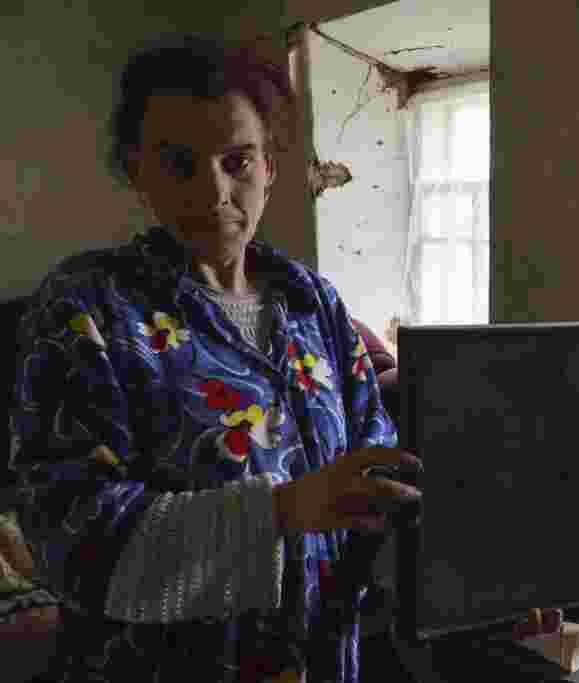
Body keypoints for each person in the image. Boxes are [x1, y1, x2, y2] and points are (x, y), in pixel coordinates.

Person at [5, 33, 421, 683]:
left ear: (271, 166)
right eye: (178, 163)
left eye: (238, 160)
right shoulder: (87, 311)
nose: (213, 190)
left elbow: (379, 484)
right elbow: (71, 542)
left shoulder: (314, 305)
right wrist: (281, 510)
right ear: (135, 169)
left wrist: (473, 589)